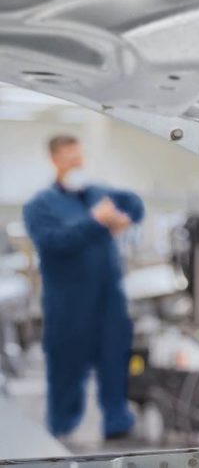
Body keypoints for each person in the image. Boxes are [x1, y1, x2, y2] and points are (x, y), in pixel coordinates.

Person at [23, 135, 142, 441]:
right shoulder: (40, 205)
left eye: (79, 157)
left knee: (114, 364)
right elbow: (54, 243)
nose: (76, 163)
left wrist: (125, 217)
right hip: (68, 304)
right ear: (54, 160)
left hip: (109, 300)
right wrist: (94, 222)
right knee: (66, 371)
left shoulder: (98, 193)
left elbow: (133, 204)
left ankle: (118, 429)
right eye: (69, 158)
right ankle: (61, 433)